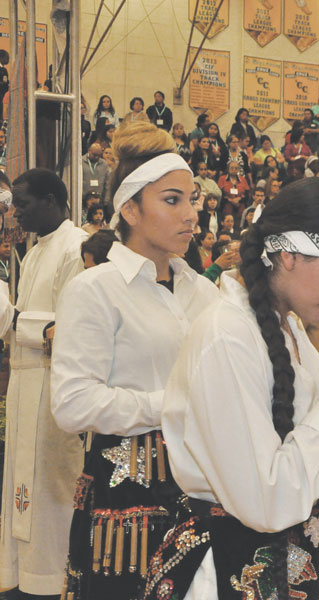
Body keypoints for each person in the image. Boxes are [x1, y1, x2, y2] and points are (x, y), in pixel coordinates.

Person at [143, 177, 319, 600]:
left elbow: (312, 460)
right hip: (224, 566)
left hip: (277, 558)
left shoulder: (288, 326)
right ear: (290, 254)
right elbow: (266, 503)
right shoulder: (228, 335)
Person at [51, 122, 219, 600]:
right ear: (129, 208)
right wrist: (174, 403)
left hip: (202, 483)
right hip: (125, 498)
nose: (191, 215)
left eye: (193, 200)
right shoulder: (95, 290)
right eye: (172, 200)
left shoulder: (204, 291)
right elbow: (73, 404)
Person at [0, 169, 88, 598]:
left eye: (24, 203)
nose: (16, 212)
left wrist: (18, 323)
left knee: (50, 493)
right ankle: (22, 579)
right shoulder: (35, 252)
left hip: (54, 389)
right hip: (24, 383)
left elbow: (74, 328)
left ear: (53, 199)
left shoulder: (76, 248)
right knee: (21, 490)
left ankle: (50, 580)